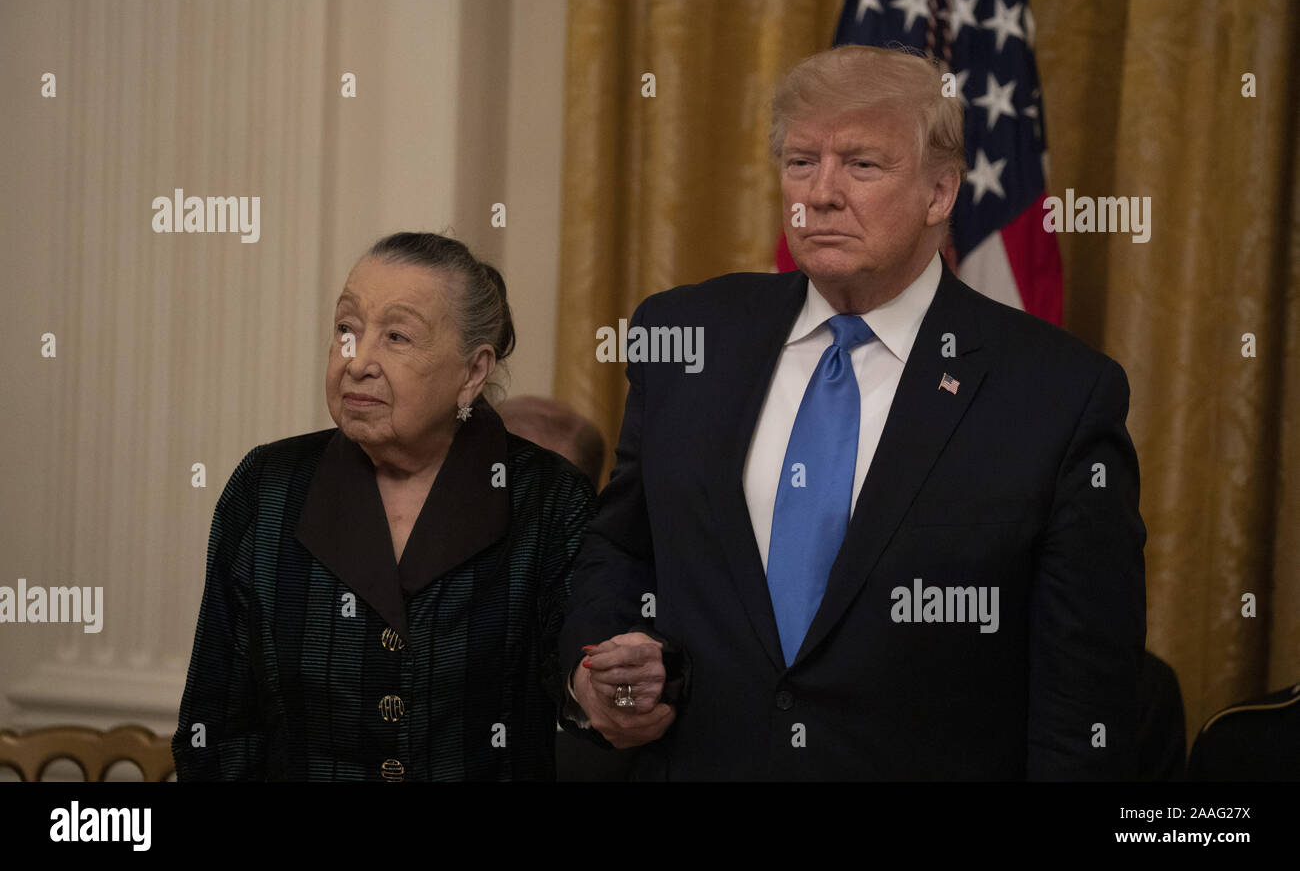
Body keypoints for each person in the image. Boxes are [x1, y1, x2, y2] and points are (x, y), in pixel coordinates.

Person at [558, 45, 1147, 779]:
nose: (820, 194)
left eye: (862, 165)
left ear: (939, 193)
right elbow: (623, 548)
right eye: (802, 162)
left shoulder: (1057, 394)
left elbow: (1082, 698)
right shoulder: (687, 338)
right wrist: (599, 664)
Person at [173, 231, 595, 780]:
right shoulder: (267, 487)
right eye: (346, 330)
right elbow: (217, 728)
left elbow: (587, 698)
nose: (358, 362)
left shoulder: (549, 498)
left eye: (396, 337)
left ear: (472, 372)